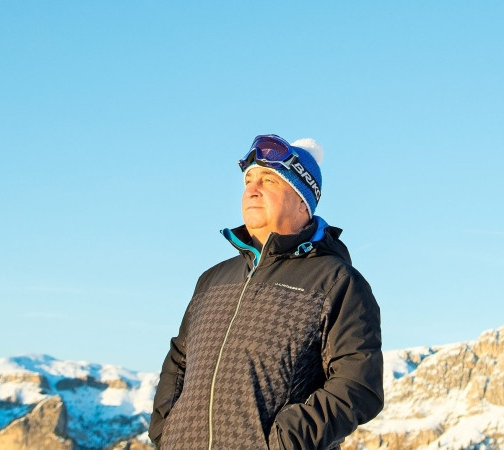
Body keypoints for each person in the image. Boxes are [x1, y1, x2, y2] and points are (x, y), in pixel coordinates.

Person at [149, 134, 384, 449]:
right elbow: (179, 361)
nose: (252, 189)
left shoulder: (337, 282)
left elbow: (358, 386)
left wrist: (284, 441)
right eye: (248, 180)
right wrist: (166, 432)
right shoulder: (213, 279)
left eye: (269, 181)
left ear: (303, 199)